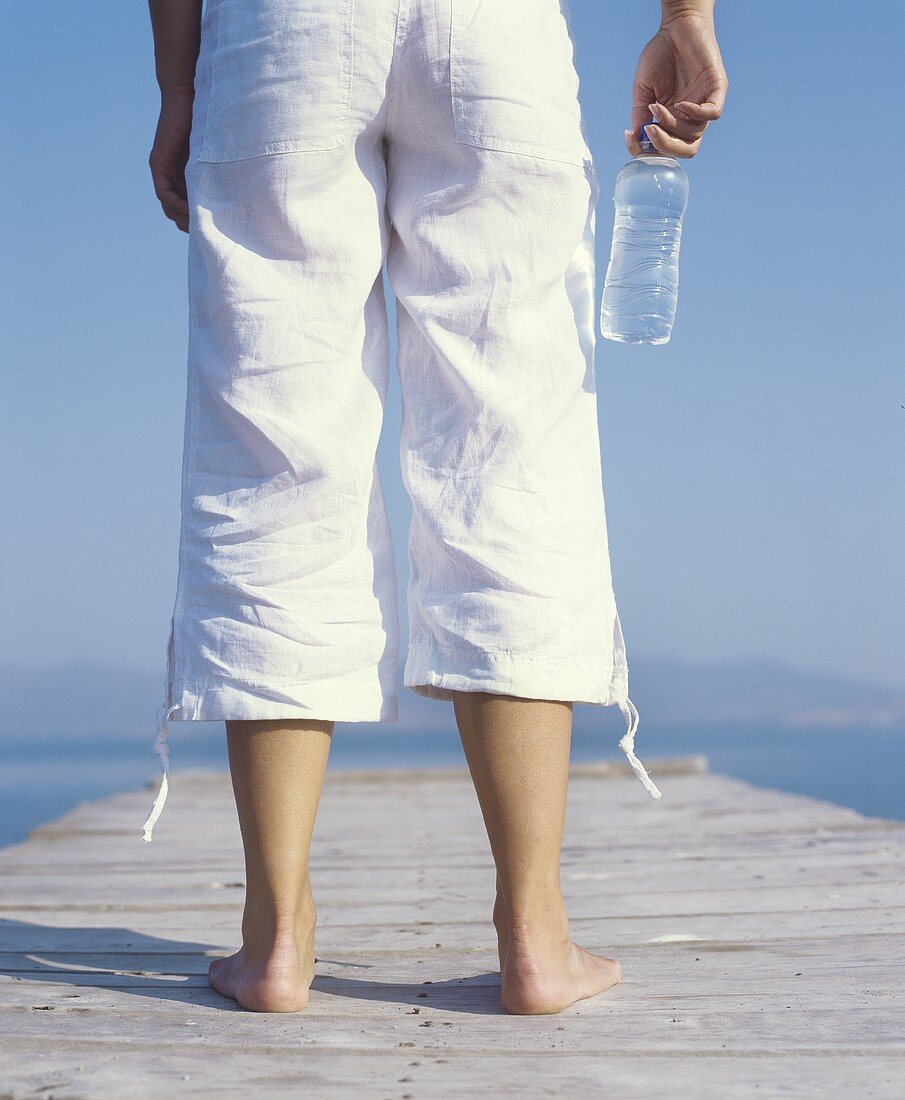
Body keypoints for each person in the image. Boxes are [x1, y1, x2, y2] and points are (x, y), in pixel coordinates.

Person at [145, 0, 728, 1015]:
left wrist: (180, 82)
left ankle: (276, 936)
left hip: (280, 31)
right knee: (511, 444)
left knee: (275, 446)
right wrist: (684, 18)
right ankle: (533, 936)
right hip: (490, 29)